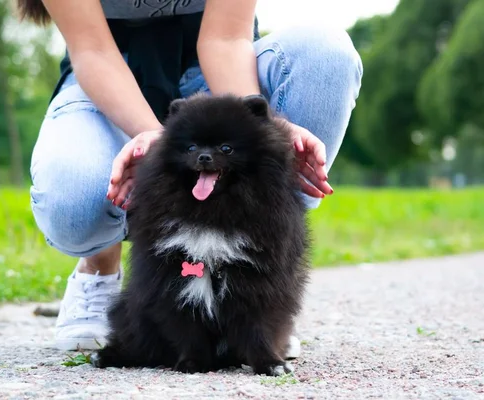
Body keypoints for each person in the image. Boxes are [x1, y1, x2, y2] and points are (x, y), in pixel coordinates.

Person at [19, 0, 363, 354]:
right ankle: (98, 268)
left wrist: (260, 130)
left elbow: (226, 39)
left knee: (327, 55)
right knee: (74, 202)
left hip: (217, 74)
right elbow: (93, 51)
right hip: (108, 72)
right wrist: (160, 143)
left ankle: (254, 301)